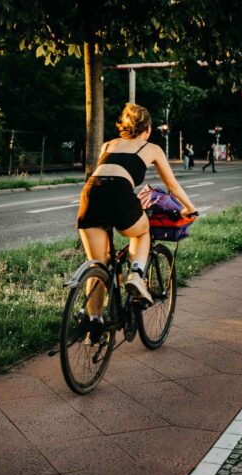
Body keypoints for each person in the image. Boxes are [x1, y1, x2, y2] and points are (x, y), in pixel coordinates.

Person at [76, 103, 197, 335]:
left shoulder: (108, 145)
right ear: (148, 129)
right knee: (143, 231)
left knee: (99, 265)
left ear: (124, 126)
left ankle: (94, 323)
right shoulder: (151, 148)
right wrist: (189, 208)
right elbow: (171, 185)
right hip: (119, 193)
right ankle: (136, 275)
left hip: (90, 193)